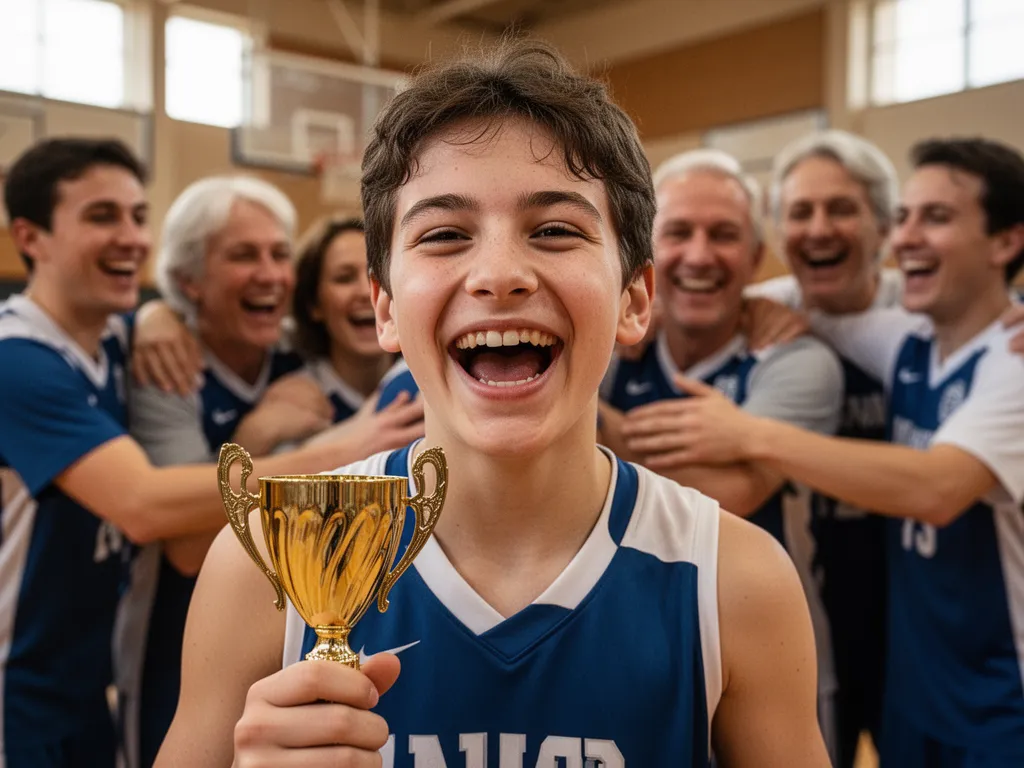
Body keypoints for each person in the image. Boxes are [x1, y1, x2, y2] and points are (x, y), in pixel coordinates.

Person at [155, 39, 830, 768]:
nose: (499, 274)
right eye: (445, 235)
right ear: (384, 309)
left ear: (635, 300)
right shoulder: (265, 562)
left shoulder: (736, 580)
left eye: (554, 231)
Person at [0, 138, 401, 768]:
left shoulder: (126, 336)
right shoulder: (22, 360)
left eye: (138, 216)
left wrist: (156, 316)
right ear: (31, 237)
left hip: (95, 671)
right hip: (32, 678)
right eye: (103, 216)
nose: (132, 236)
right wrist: (337, 449)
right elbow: (146, 509)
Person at [662, 137, 1024, 766]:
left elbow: (936, 489)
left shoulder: (996, 352)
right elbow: (739, 296)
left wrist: (748, 433)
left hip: (993, 676)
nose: (910, 236)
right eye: (799, 213)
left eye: (934, 218)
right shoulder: (905, 336)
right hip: (909, 665)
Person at [120, 181, 427, 768]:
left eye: (278, 254)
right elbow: (187, 543)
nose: (269, 273)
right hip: (180, 632)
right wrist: (154, 315)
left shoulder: (296, 354)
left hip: (316, 627)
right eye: (243, 255)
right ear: (190, 281)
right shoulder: (167, 362)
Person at [597, 148, 844, 759]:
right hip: (620, 643)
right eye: (678, 233)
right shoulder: (607, 349)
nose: (701, 255)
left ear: (756, 258)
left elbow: (727, 497)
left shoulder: (797, 360)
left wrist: (584, 423)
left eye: (725, 235)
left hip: (768, 650)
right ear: (644, 256)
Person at [744, 130, 902, 768]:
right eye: (801, 212)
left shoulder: (920, 315)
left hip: (910, 615)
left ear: (883, 226)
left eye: (842, 208)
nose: (819, 228)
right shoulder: (762, 313)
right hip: (807, 613)